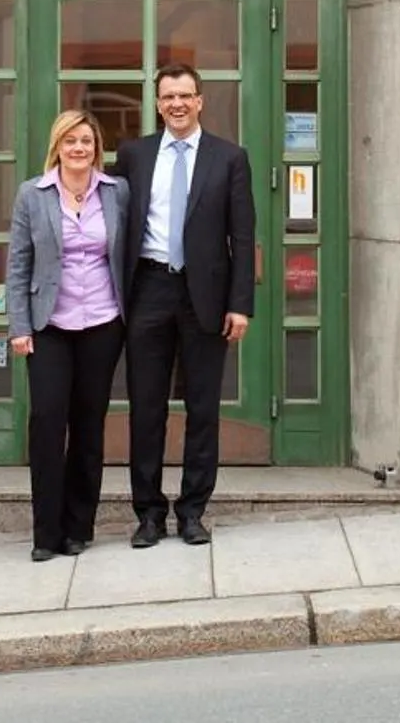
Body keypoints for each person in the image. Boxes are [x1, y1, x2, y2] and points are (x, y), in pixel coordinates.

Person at [114, 62, 254, 548]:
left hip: (205, 298)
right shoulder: (133, 155)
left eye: (185, 96)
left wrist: (240, 304)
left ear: (200, 101)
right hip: (149, 289)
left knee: (203, 407)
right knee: (145, 408)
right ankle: (149, 514)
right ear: (158, 104)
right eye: (168, 96)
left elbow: (243, 236)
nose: (177, 104)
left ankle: (193, 511)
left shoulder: (229, 158)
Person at [4, 108, 128, 563]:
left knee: (89, 426)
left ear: (97, 148)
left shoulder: (116, 192)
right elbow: (18, 264)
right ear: (57, 147)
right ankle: (46, 533)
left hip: (102, 323)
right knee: (47, 423)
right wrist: (19, 326)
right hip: (49, 326)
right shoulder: (32, 195)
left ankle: (79, 528)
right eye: (70, 141)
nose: (79, 148)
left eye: (86, 141)